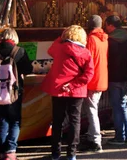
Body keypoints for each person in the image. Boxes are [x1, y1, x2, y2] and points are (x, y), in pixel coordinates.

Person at [42, 25, 95, 160]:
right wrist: (73, 85)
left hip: (58, 89)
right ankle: (72, 153)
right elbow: (89, 74)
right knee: (74, 122)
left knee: (57, 121)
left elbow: (51, 48)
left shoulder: (58, 48)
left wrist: (63, 35)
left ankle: (55, 152)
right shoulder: (86, 53)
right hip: (76, 91)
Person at [0, 29, 33, 160]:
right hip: (14, 93)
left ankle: (1, 152)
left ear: (1, 38)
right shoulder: (19, 51)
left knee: (2, 121)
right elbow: (29, 69)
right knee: (15, 121)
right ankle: (10, 152)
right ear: (14, 38)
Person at [80, 15, 108, 153]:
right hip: (102, 77)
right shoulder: (104, 39)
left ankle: (96, 141)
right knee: (93, 108)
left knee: (91, 110)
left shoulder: (91, 39)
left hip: (93, 79)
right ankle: (92, 136)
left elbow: (87, 60)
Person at [105, 15, 127, 145]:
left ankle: (120, 136)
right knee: (124, 106)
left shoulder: (109, 40)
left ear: (111, 25)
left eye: (106, 25)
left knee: (117, 107)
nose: (106, 28)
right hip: (126, 77)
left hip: (114, 77)